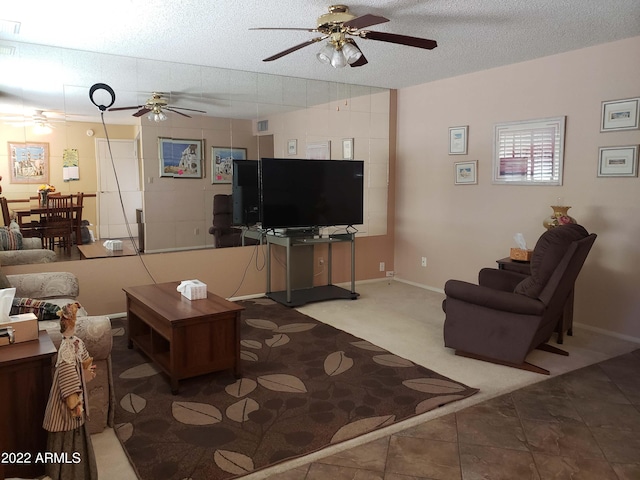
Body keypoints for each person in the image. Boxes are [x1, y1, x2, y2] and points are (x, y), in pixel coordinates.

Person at [42, 302, 98, 480]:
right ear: (70, 323)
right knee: (68, 439)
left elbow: (84, 359)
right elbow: (67, 380)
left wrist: (87, 369)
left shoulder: (77, 343)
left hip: (76, 402)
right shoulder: (66, 351)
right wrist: (75, 404)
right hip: (67, 408)